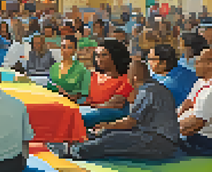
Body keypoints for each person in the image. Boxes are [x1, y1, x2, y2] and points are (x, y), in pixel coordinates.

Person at [49, 61, 179, 160]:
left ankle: (73, 150)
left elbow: (130, 122)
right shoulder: (154, 88)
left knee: (113, 139)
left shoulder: (148, 91)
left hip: (158, 141)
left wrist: (107, 125)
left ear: (133, 78)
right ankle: (85, 139)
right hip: (152, 135)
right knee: (110, 133)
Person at [79, 40, 134, 129]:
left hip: (111, 113)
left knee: (77, 118)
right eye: (97, 56)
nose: (99, 59)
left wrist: (89, 107)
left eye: (104, 55)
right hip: (91, 109)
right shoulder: (93, 75)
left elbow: (116, 103)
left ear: (115, 56)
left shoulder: (126, 79)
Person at [177, 48, 212, 156]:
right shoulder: (201, 81)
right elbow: (188, 102)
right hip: (189, 132)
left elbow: (197, 123)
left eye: (198, 62)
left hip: (205, 141)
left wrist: (169, 130)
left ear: (210, 64)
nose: (194, 65)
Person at [47, 35, 91, 103]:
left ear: (75, 50)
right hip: (52, 103)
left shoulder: (83, 70)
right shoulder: (54, 67)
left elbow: (84, 96)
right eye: (63, 47)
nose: (65, 50)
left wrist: (65, 94)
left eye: (69, 47)